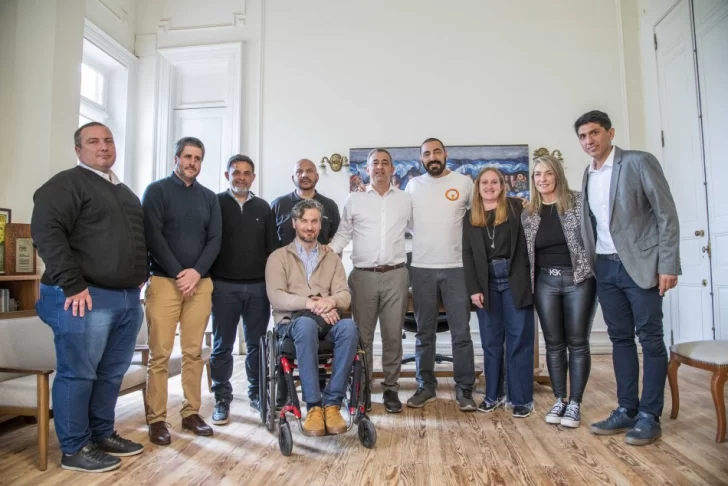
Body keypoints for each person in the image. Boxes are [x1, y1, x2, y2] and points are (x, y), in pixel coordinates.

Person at [31, 122, 147, 472]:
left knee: (111, 374)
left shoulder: (125, 192)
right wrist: (72, 283)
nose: (103, 147)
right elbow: (46, 232)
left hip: (126, 299)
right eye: (93, 141)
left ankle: (101, 434)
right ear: (78, 150)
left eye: (108, 140)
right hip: (82, 297)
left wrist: (139, 279)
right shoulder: (65, 184)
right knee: (78, 373)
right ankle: (74, 448)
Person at [576, 110, 680, 445]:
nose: (589, 141)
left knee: (650, 339)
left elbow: (666, 214)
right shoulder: (587, 174)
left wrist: (668, 264)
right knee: (620, 339)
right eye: (583, 136)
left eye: (594, 133)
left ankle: (650, 415)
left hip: (642, 265)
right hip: (606, 268)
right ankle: (627, 409)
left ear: (610, 133)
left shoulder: (637, 162)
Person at [142, 136, 222, 445]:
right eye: (187, 156)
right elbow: (154, 237)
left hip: (200, 283)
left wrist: (196, 273)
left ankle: (191, 413)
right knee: (160, 353)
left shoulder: (209, 198)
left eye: (198, 158)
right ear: (176, 158)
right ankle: (157, 419)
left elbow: (215, 239)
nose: (192, 162)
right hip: (164, 281)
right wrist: (179, 273)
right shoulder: (157, 191)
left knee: (193, 352)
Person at [326, 148, 411, 413]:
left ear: (393, 169)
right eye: (375, 163)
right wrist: (326, 254)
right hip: (362, 277)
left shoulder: (406, 200)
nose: (380, 167)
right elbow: (343, 234)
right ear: (367, 169)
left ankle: (391, 391)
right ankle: (362, 391)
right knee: (362, 338)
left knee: (393, 336)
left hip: (396, 275)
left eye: (386, 163)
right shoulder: (355, 199)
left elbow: (420, 231)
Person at [265, 199, 359, 436]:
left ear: (320, 225)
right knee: (305, 324)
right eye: (304, 221)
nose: (309, 226)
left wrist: (331, 302)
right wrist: (311, 303)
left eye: (314, 221)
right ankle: (314, 406)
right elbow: (276, 297)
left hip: (327, 322)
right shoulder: (278, 257)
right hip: (292, 323)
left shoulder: (332, 258)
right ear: (295, 223)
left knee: (349, 328)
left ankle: (332, 403)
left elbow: (344, 295)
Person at [521, 155, 597, 427]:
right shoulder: (528, 213)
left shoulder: (577, 203)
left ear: (558, 176)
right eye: (537, 174)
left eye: (548, 173)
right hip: (545, 283)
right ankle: (559, 399)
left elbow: (594, 237)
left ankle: (575, 403)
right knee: (554, 344)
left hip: (579, 280)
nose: (542, 179)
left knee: (577, 343)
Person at [405, 137, 477, 411]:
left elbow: (476, 219)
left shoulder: (463, 183)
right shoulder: (413, 185)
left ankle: (465, 389)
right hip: (422, 267)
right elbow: (408, 223)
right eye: (426, 154)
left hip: (457, 268)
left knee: (461, 332)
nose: (432, 157)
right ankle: (426, 387)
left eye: (436, 151)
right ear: (421, 159)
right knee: (424, 333)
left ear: (446, 154)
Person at [208, 155, 279, 425]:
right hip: (223, 287)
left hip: (258, 288)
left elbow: (273, 251)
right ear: (227, 175)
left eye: (246, 173)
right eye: (236, 172)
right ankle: (222, 399)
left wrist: (273, 287)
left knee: (256, 345)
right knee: (222, 346)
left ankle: (256, 393)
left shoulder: (263, 207)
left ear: (253, 177)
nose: (241, 177)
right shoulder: (214, 203)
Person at [463, 167, 534, 418]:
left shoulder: (517, 208)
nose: (490, 186)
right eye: (485, 182)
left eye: (495, 182)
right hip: (486, 284)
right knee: (491, 343)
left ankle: (522, 399)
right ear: (478, 187)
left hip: (516, 281)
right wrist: (473, 289)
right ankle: (493, 395)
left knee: (519, 342)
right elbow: (468, 255)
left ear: (503, 186)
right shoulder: (470, 216)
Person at [270, 158, 340, 246]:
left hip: (321, 259)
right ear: (293, 178)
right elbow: (269, 241)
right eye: (299, 171)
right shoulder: (278, 205)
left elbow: (336, 242)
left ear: (317, 177)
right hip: (284, 259)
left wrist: (334, 259)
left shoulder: (330, 206)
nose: (304, 175)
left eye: (309, 171)